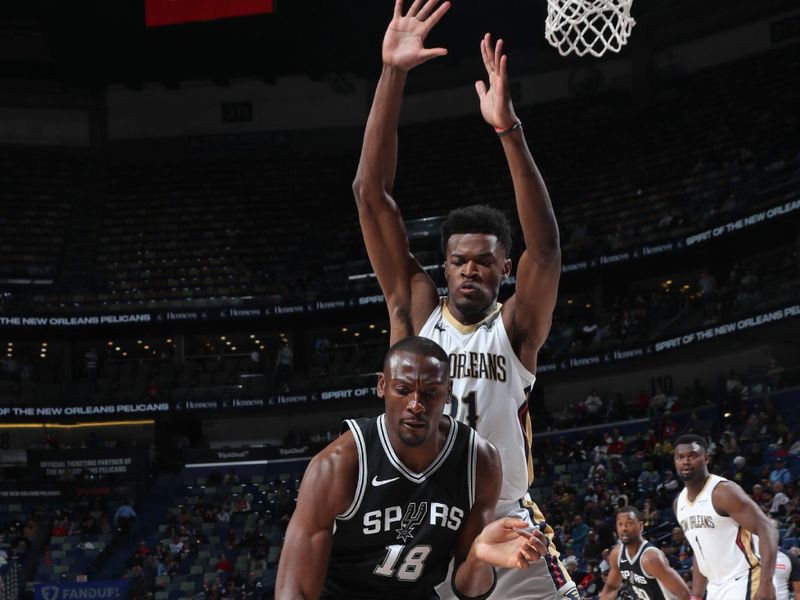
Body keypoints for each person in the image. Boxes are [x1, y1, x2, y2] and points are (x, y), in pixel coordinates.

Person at [352, 1, 572, 598]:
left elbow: (546, 249)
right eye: (458, 260)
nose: (470, 270)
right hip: (425, 515)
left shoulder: (518, 327)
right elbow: (371, 194)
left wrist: (508, 130)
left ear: (505, 268)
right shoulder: (417, 312)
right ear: (443, 267)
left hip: (506, 515)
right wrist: (392, 74)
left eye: (484, 260)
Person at [275, 336, 548, 600]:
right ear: (382, 385)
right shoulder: (338, 465)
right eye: (403, 390)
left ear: (448, 391)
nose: (416, 405)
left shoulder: (479, 462)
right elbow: (293, 591)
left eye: (430, 393)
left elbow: (470, 591)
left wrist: (477, 556)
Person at [674, 433, 778, 600]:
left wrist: (766, 583)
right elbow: (700, 551)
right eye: (680, 457)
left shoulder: (722, 492)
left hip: (744, 578)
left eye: (692, 456)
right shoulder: (679, 503)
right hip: (715, 587)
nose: (685, 461)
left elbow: (768, 530)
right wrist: (697, 595)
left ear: (706, 458)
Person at [599, 506, 692, 600]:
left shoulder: (651, 558)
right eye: (620, 524)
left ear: (641, 526)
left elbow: (684, 593)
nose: (624, 528)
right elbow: (611, 588)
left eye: (629, 523)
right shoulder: (617, 554)